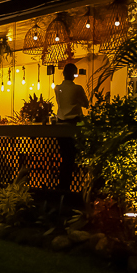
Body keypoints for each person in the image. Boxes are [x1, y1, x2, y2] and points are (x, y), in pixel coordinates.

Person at [53, 63, 89, 193]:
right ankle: (71, 185)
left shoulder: (57, 88)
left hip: (60, 124)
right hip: (74, 124)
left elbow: (60, 103)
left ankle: (62, 185)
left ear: (63, 74)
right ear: (74, 74)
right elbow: (86, 104)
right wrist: (77, 102)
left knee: (65, 156)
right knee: (72, 156)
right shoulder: (78, 88)